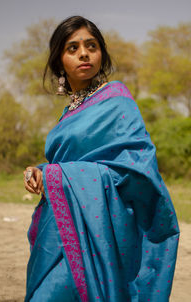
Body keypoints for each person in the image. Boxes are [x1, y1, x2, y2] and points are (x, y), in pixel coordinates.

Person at [23, 16, 179, 302]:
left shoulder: (117, 101)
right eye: (72, 48)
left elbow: (136, 170)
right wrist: (42, 171)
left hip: (96, 230)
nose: (84, 53)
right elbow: (70, 161)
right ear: (59, 61)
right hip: (59, 225)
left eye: (91, 46)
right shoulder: (68, 113)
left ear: (101, 54)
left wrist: (57, 177)